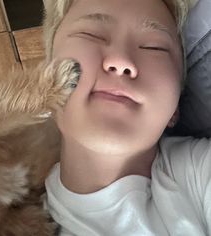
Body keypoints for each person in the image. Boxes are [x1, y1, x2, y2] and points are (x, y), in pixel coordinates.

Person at [43, 0, 211, 235]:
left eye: (154, 47)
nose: (121, 62)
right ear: (44, 83)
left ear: (175, 108)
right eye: (90, 34)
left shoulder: (199, 175)